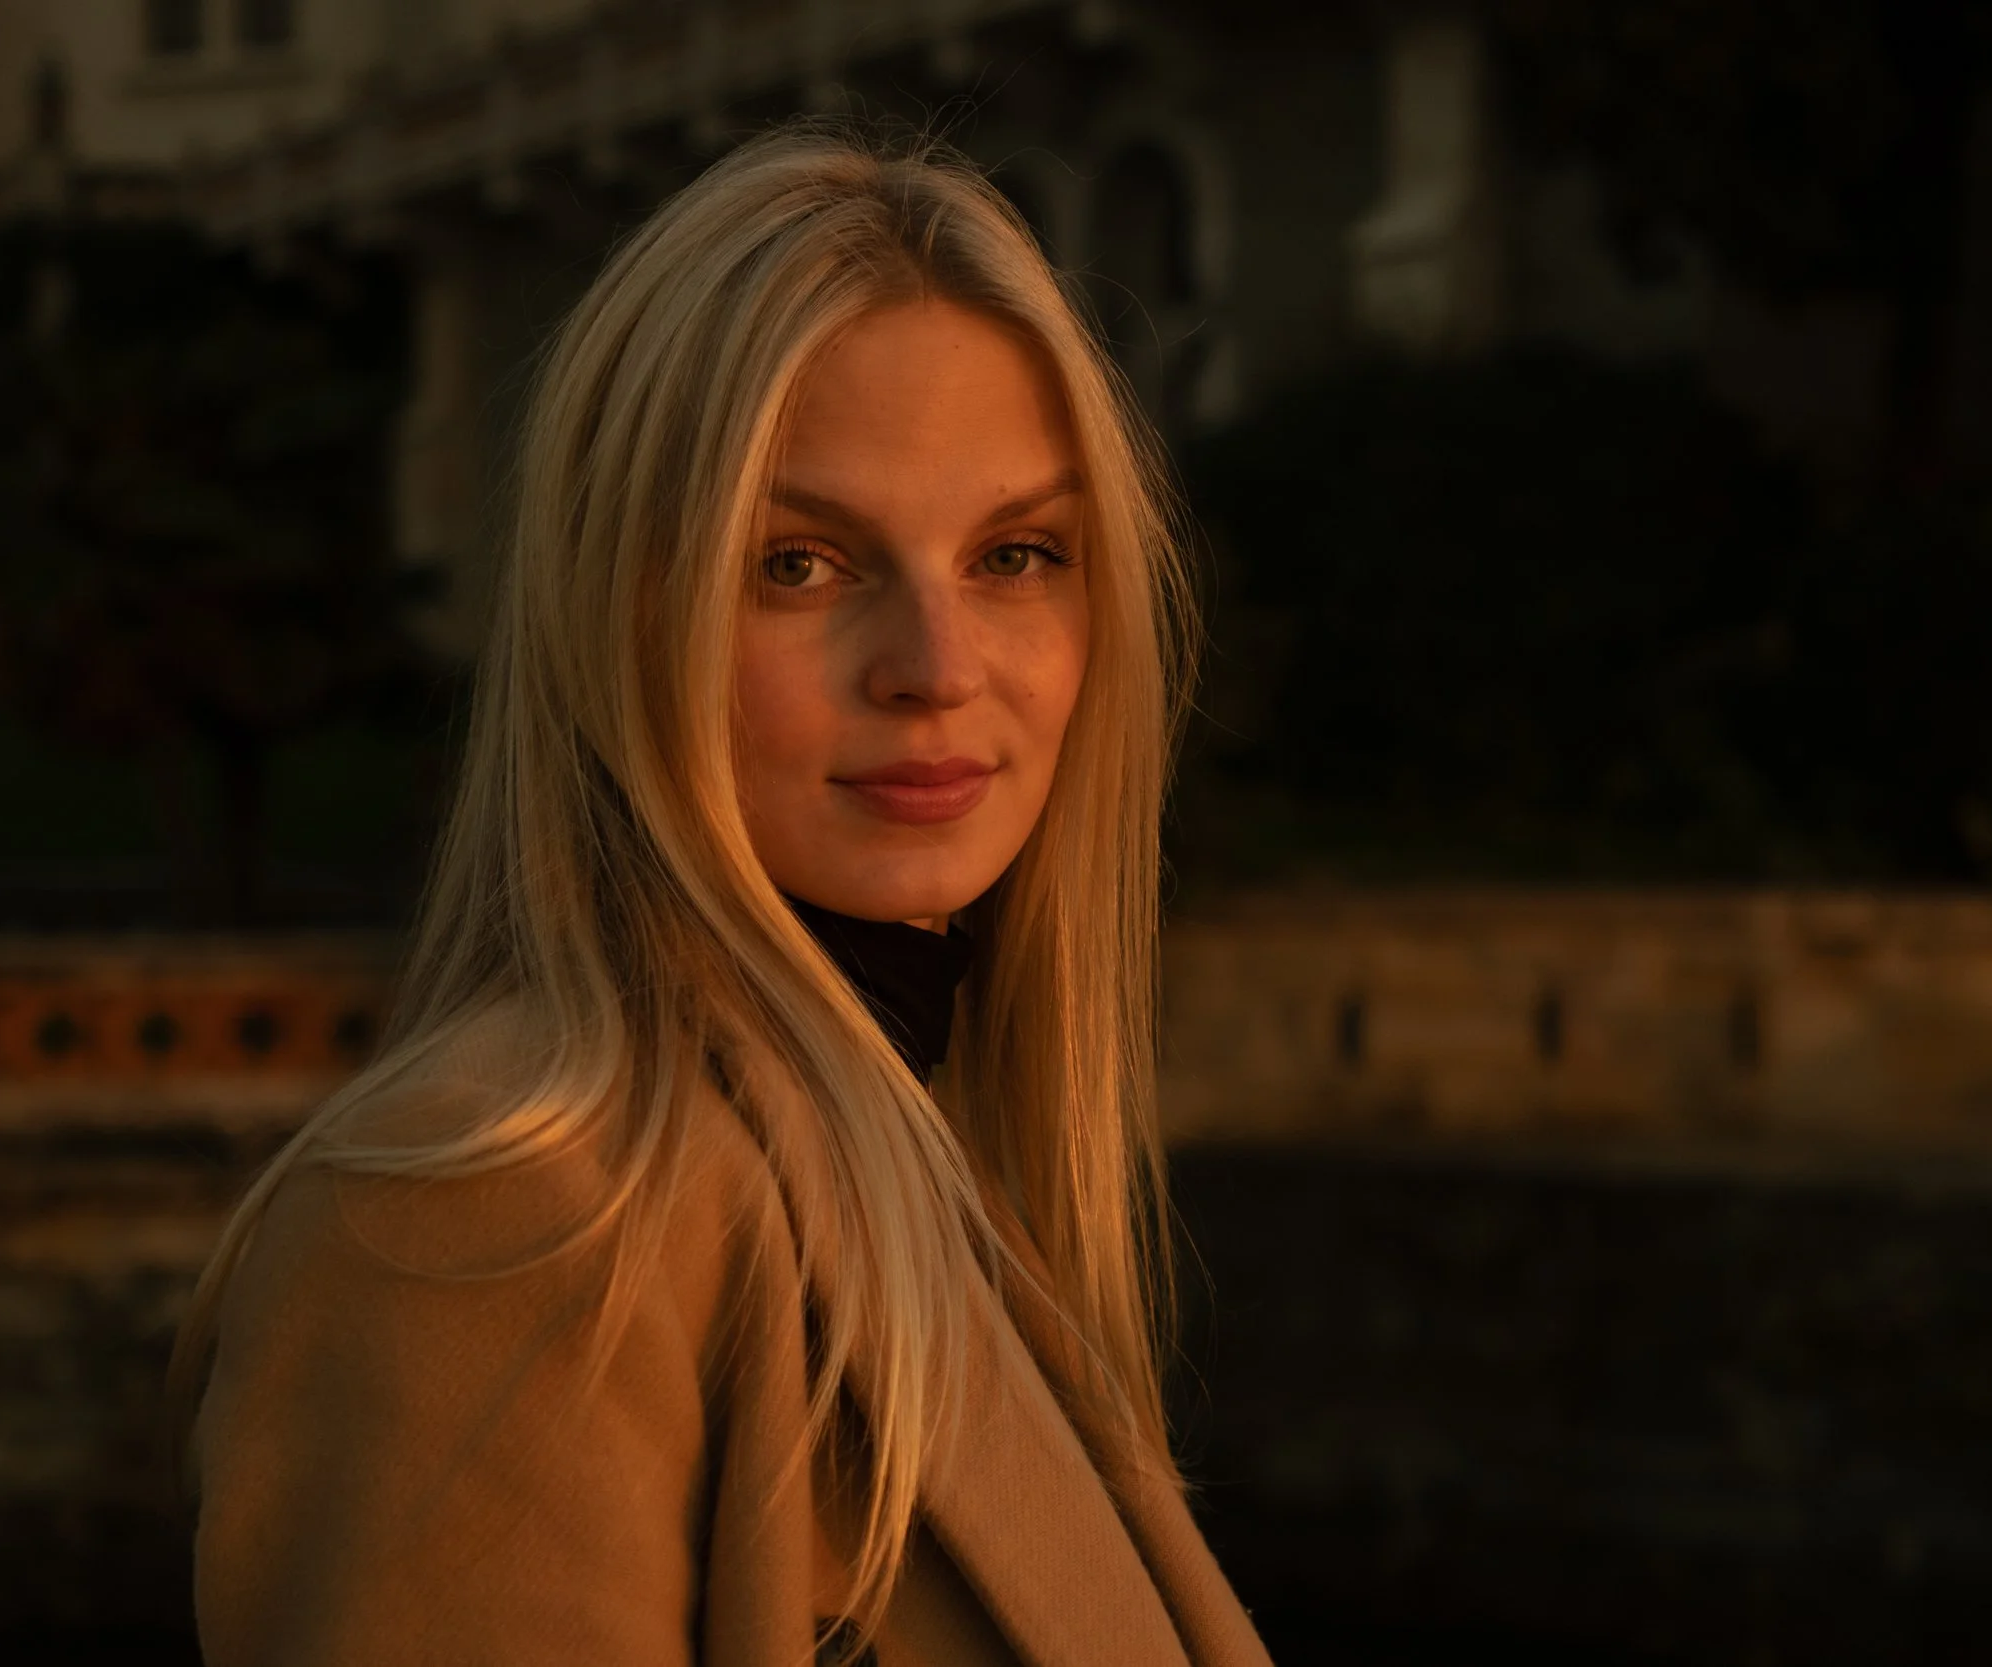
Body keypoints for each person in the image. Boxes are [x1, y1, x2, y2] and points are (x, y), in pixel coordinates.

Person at [177, 126, 1272, 1667]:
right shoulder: (499, 1212)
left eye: (1016, 553)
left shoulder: (923, 1156)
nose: (939, 669)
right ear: (624, 605)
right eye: (801, 565)